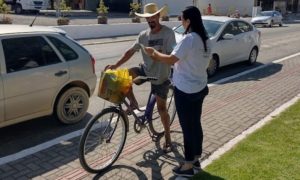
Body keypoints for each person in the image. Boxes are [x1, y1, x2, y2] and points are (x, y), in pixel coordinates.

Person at [144, 6, 211, 177]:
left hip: (186, 90)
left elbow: (171, 59)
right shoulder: (205, 39)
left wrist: (155, 54)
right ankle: (195, 157)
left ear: (188, 21)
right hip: (200, 87)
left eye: (182, 18)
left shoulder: (189, 39)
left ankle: (188, 166)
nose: (180, 21)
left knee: (187, 127)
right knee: (195, 124)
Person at [105, 3, 176, 153]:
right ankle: (133, 102)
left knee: (162, 109)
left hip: (161, 76)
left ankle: (168, 138)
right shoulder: (143, 36)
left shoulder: (168, 33)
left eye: (153, 17)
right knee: (124, 76)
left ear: (158, 16)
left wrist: (159, 55)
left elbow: (172, 56)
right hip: (146, 70)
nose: (150, 20)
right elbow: (130, 52)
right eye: (148, 18)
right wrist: (115, 65)